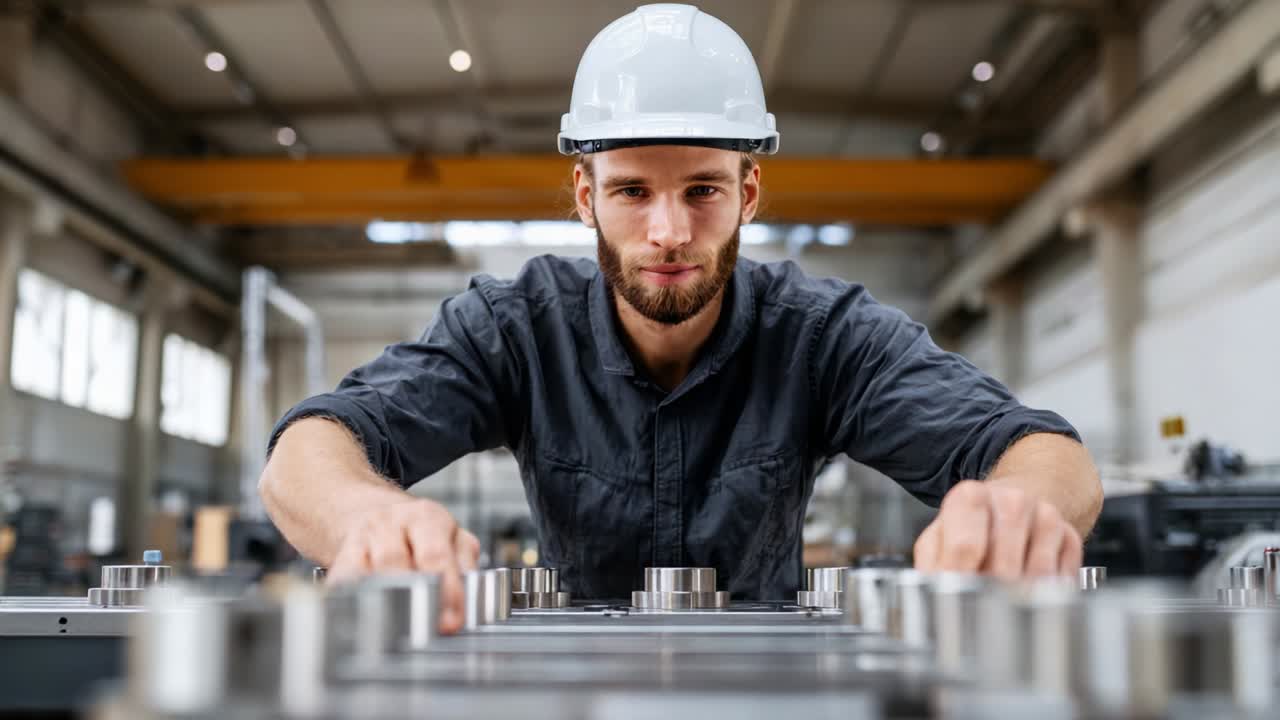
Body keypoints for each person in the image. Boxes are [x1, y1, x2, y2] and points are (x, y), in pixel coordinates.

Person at [259, 4, 1102, 633]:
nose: (668, 232)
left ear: (748, 193)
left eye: (702, 189)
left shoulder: (821, 336)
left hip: (771, 693)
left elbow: (1048, 458)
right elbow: (309, 451)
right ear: (586, 197)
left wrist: (1019, 508)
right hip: (569, 691)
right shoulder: (515, 328)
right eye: (632, 191)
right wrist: (364, 517)